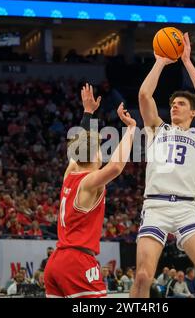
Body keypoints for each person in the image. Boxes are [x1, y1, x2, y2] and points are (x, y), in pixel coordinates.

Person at [132, 32, 195, 298]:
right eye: (172, 104)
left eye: (180, 104)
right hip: (156, 206)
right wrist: (160, 61)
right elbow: (145, 95)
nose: (174, 107)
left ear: (192, 113)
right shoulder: (157, 128)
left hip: (186, 208)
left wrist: (188, 62)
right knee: (143, 276)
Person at [44, 83, 136, 298]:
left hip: (55, 262)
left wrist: (88, 113)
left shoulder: (70, 174)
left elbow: (80, 147)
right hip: (77, 261)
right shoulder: (88, 182)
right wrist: (130, 129)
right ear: (97, 155)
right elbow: (115, 167)